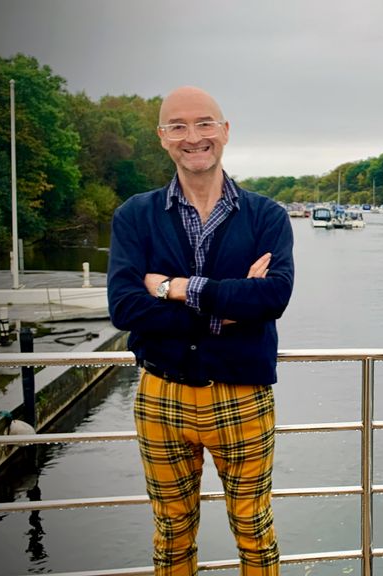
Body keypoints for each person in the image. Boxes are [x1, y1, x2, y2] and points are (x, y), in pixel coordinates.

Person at [107, 86, 294, 575]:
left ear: (225, 131)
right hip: (161, 393)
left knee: (255, 529)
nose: (194, 137)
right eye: (179, 127)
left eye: (205, 123)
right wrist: (226, 308)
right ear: (163, 138)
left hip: (243, 392)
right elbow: (125, 308)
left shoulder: (267, 216)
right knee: (172, 533)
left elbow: (273, 298)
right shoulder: (135, 217)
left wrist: (173, 287)